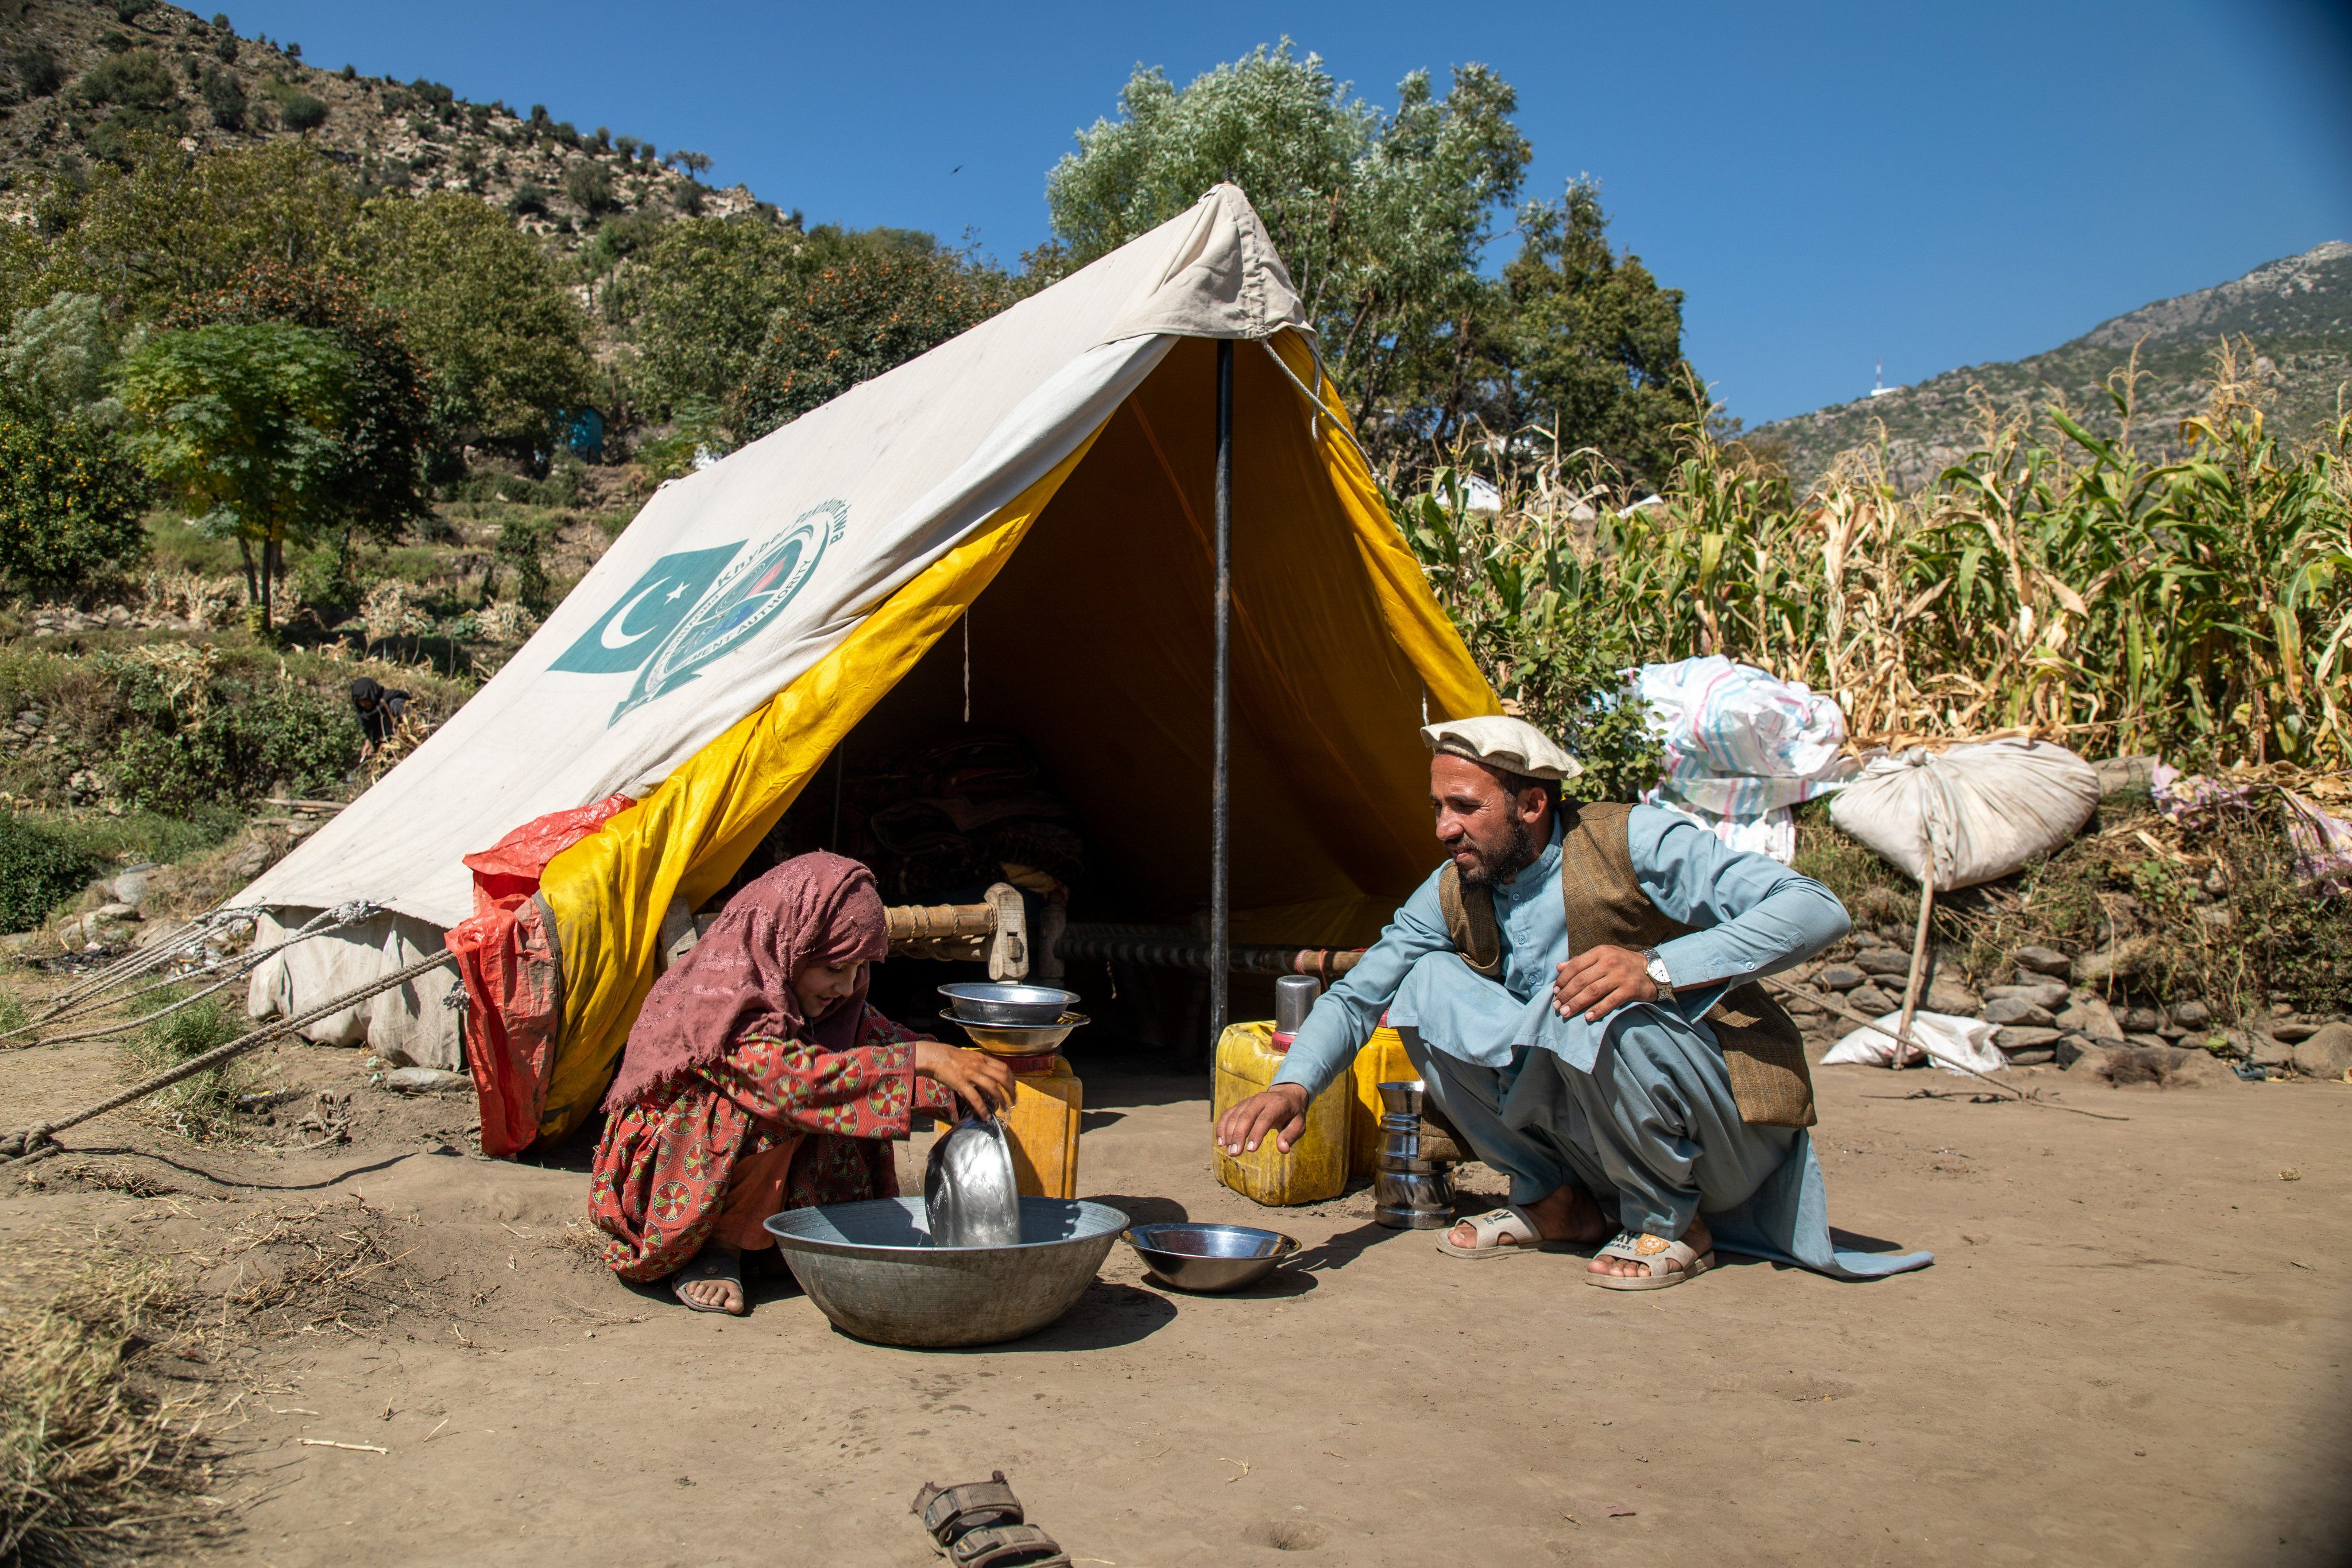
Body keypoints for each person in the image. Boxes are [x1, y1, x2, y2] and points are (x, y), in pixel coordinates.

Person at [1214, 715, 1931, 1289]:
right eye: (1437, 806)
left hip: (1720, 1133)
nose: (1442, 827)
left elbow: (1815, 909)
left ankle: (1673, 1224)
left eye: (1464, 807)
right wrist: (1296, 1084)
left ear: (1531, 804)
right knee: (1424, 980)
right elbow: (1358, 996)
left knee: (1589, 995)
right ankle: (1557, 1201)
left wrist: (1657, 967)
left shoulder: (1636, 839)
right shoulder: (1454, 887)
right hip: (1591, 1132)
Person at [589, 850, 1013, 1314]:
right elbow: (784, 1082)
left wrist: (963, 1080)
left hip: (755, 1155)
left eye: (859, 969)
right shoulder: (720, 1000)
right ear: (790, 944)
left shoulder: (832, 1005)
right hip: (669, 1178)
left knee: (859, 1072)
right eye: (834, 967)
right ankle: (719, 1249)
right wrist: (917, 1060)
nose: (847, 986)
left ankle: (781, 1238)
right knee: (780, 1102)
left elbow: (883, 1041)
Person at [349, 677, 409, 755]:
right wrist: (370, 742)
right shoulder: (367, 717)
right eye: (360, 702)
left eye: (365, 700)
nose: (363, 704)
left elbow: (415, 723)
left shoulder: (394, 703)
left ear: (372, 694)